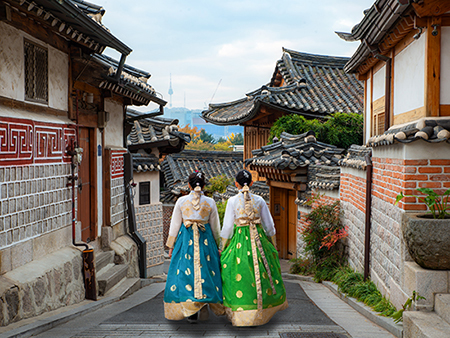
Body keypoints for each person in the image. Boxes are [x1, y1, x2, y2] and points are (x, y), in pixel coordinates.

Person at [220, 169, 288, 326]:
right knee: (264, 271)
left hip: (239, 242)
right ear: (251, 183)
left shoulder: (232, 201)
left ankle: (240, 314)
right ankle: (261, 313)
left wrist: (224, 246)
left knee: (238, 273)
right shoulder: (260, 200)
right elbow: (269, 225)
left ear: (236, 184)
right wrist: (272, 243)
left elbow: (228, 227)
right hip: (259, 241)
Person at [164, 171, 224, 322]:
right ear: (203, 186)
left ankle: (191, 310)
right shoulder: (210, 202)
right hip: (206, 241)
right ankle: (202, 306)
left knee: (185, 273)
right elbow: (216, 227)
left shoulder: (181, 201)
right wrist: (220, 246)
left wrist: (171, 246)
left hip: (185, 240)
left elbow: (175, 225)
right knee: (206, 272)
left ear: (189, 185)